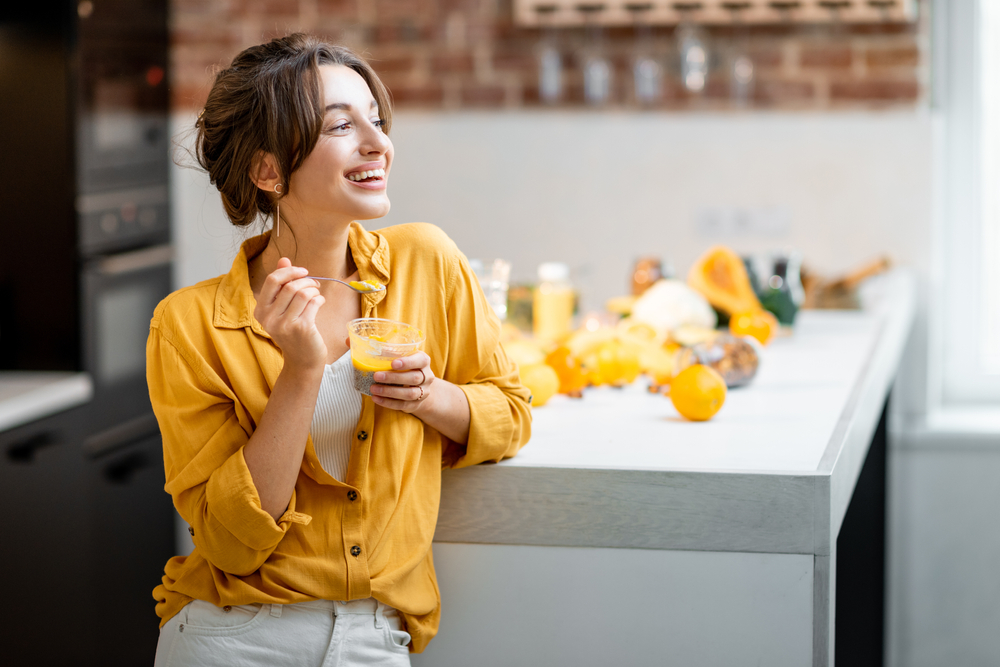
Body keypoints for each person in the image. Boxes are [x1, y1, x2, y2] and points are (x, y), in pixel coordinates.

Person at [148, 34, 532, 666]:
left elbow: (510, 414)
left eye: (377, 122)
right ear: (268, 170)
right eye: (341, 127)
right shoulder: (188, 326)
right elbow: (228, 542)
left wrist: (430, 396)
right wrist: (300, 374)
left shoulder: (427, 262)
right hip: (230, 635)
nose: (379, 144)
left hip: (375, 638)